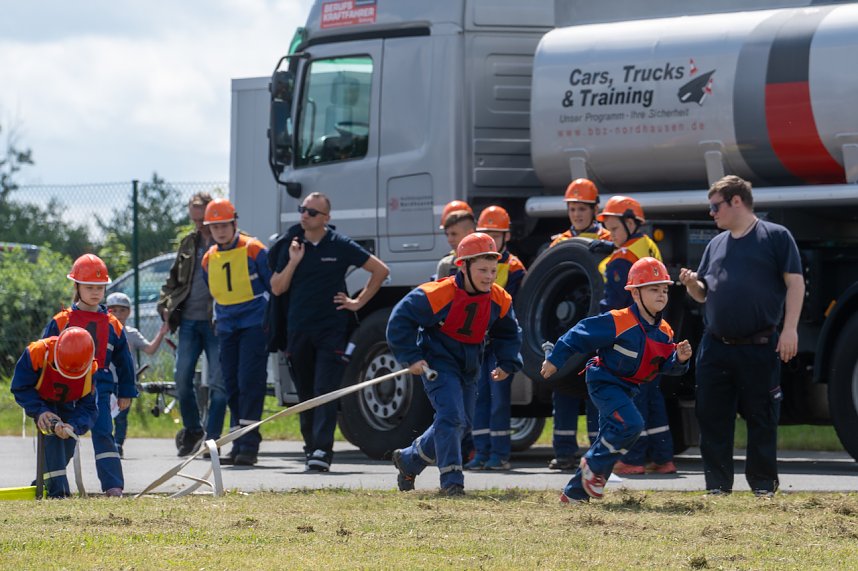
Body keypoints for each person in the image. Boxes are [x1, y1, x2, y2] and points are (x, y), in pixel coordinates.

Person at [679, 175, 804, 497]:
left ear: (737, 201)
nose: (711, 213)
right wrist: (693, 285)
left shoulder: (775, 237)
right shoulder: (715, 244)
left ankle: (763, 488)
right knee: (712, 418)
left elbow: (795, 283)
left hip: (759, 345)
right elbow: (704, 293)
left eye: (715, 205)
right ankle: (717, 487)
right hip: (716, 346)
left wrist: (789, 330)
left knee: (762, 418)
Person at [542, 257, 693, 502]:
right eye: (653, 289)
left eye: (664, 289)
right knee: (631, 425)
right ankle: (591, 464)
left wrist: (680, 359)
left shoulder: (665, 331)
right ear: (635, 294)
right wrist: (555, 359)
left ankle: (573, 495)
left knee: (611, 439)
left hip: (628, 389)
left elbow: (667, 367)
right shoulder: (619, 320)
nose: (661, 295)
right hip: (604, 382)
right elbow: (580, 333)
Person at [389, 233, 522, 495]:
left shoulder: (499, 299)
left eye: (493, 270)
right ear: (463, 266)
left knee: (460, 422)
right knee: (450, 417)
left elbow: (509, 332)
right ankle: (452, 483)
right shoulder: (436, 294)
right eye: (482, 270)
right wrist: (411, 356)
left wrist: (507, 362)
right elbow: (400, 319)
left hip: (470, 364)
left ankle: (409, 460)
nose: (489, 276)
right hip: (438, 362)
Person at [269, 192, 389, 472]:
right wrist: (293, 262)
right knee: (306, 392)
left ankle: (322, 449)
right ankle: (311, 446)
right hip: (298, 330)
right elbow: (277, 287)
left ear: (326, 218)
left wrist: (357, 302)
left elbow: (380, 271)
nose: (304, 215)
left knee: (325, 389)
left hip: (331, 331)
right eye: (303, 210)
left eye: (311, 212)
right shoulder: (291, 244)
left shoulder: (340, 245)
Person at [43, 254, 136, 497]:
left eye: (100, 287)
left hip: (101, 389)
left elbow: (124, 361)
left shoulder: (113, 323)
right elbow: (43, 355)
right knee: (65, 437)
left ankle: (113, 485)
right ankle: (48, 483)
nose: (95, 292)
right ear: (77, 287)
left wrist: (126, 391)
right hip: (66, 392)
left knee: (104, 433)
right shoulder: (61, 320)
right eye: (89, 287)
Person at [597, 195, 677, 475]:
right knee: (653, 399)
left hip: (630, 337)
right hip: (654, 333)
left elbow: (615, 301)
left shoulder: (621, 260)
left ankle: (632, 459)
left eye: (615, 229)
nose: (611, 235)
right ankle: (663, 457)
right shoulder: (648, 246)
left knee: (633, 397)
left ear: (630, 223)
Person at [201, 198, 273, 466]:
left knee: (249, 383)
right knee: (232, 385)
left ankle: (249, 444)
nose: (219, 231)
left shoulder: (254, 249)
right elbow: (214, 290)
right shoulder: (208, 258)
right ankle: (238, 439)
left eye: (224, 225)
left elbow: (271, 285)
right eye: (214, 226)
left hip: (254, 325)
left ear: (234, 224)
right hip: (227, 328)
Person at [547, 178, 610, 471]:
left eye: (582, 208)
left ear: (594, 209)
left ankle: (596, 453)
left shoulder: (608, 240)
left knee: (595, 386)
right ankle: (564, 452)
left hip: (597, 325)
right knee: (563, 386)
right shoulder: (558, 243)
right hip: (566, 327)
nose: (577, 214)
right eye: (572, 209)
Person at [158, 192, 228, 457]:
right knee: (181, 380)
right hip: (188, 321)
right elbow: (173, 281)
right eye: (194, 219)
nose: (199, 225)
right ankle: (193, 429)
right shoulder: (189, 243)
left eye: (203, 219)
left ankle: (213, 439)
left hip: (216, 324)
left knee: (219, 385)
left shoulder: (227, 242)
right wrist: (165, 305)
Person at [464, 206, 526, 471]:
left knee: (500, 399)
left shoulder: (514, 268)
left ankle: (499, 454)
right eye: (485, 233)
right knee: (480, 398)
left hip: (498, 344)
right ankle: (481, 452)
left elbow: (511, 307)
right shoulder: (474, 265)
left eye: (495, 235)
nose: (490, 239)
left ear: (506, 236)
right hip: (480, 344)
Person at [11, 327, 99, 498]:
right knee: (53, 445)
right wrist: (40, 411)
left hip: (68, 404)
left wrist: (74, 426)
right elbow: (20, 387)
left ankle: (41, 486)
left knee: (65, 449)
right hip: (41, 401)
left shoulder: (91, 369)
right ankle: (59, 494)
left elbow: (89, 407)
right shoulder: (37, 353)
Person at [105, 292, 170, 458]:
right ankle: (107, 444)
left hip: (124, 382)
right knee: (104, 415)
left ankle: (118, 445)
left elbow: (149, 349)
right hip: (105, 380)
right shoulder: (102, 332)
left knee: (121, 416)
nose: (118, 314)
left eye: (122, 310)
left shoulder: (131, 333)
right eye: (114, 310)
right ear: (107, 311)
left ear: (129, 312)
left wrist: (161, 333)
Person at [436, 200, 476, 279]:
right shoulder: (446, 264)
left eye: (454, 234)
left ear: (470, 233)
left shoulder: (487, 262)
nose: (449, 239)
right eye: (447, 234)